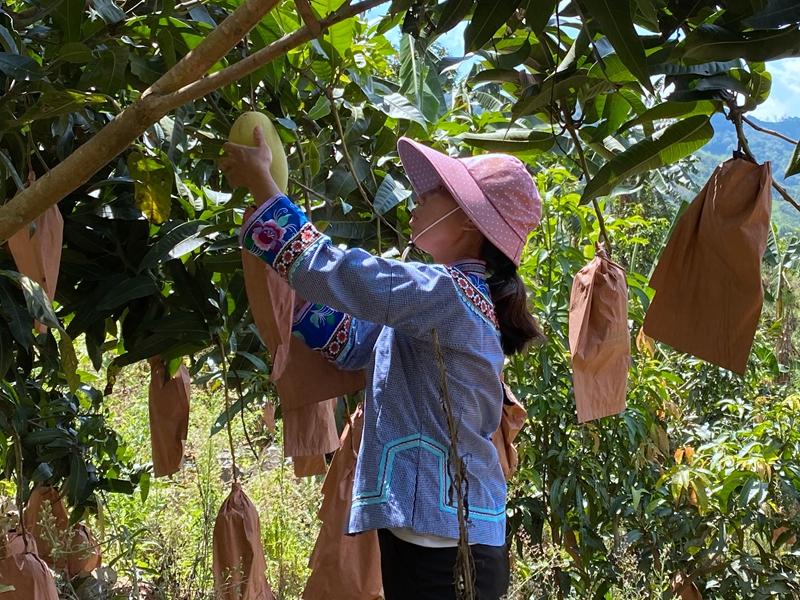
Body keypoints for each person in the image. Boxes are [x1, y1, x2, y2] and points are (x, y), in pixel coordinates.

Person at [219, 128, 543, 600]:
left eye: (433, 193)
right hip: (440, 535)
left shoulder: (446, 293)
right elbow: (352, 342)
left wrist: (266, 189)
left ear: (468, 222)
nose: (418, 198)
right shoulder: (445, 301)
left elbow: (336, 271)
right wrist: (281, 271)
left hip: (445, 546)